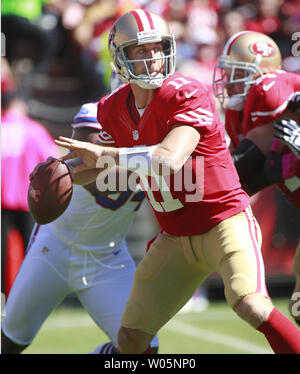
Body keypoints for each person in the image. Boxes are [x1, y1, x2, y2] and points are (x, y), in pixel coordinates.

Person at [55, 9, 300, 354]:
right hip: (174, 236)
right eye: (141, 49)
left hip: (223, 223)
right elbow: (97, 167)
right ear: (121, 56)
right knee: (130, 340)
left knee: (252, 305)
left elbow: (168, 159)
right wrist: (62, 174)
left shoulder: (185, 92)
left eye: (158, 47)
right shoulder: (112, 108)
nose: (153, 58)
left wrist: (105, 159)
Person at [1, 98, 159, 354]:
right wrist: (155, 164)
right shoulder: (97, 113)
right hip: (54, 250)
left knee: (143, 350)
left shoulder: (165, 133)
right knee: (10, 342)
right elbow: (90, 171)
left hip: (107, 257)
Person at [212, 30, 300, 326]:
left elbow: (236, 172)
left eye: (238, 73)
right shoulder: (240, 116)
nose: (229, 81)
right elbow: (239, 178)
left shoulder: (272, 91)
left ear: (262, 74)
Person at [1, 57, 59, 297]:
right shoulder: (33, 129)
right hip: (28, 200)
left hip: (1, 200)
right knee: (31, 252)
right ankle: (31, 298)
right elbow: (53, 159)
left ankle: (2, 297)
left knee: (1, 253)